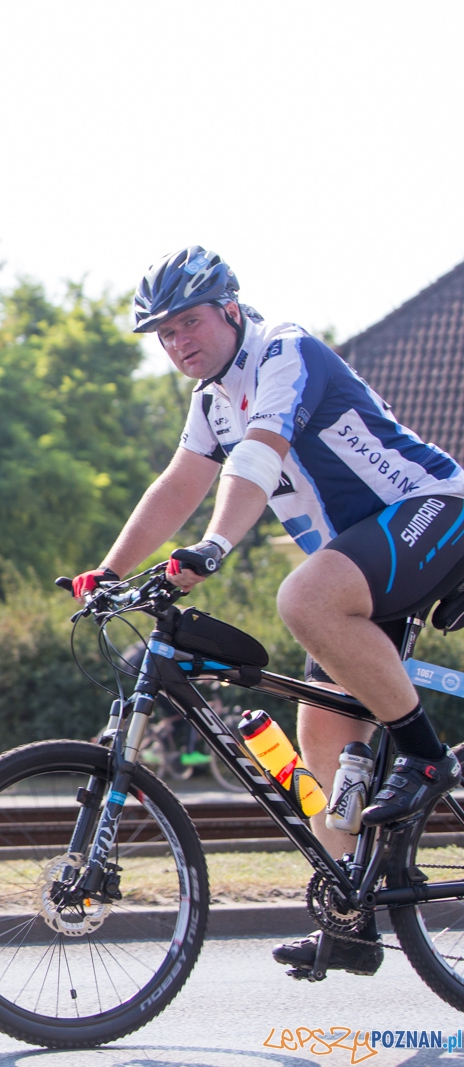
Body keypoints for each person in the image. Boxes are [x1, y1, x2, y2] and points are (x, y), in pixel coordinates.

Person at [73, 246, 464, 977]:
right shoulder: (211, 402)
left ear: (229, 308)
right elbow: (177, 484)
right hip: (359, 570)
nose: (178, 342)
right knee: (319, 741)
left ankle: (426, 757)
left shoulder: (286, 351)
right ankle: (353, 923)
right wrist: (110, 570)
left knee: (302, 597)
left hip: (431, 511)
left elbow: (260, 451)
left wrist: (215, 546)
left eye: (188, 322)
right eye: (164, 334)